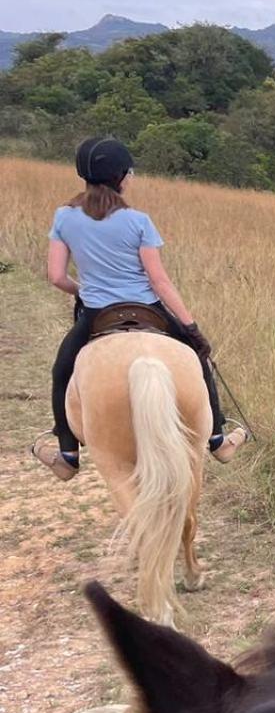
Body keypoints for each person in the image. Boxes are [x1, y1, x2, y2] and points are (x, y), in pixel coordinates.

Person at [31, 137, 246, 481]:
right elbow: (159, 281)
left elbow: (56, 276)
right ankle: (218, 439)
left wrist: (82, 292)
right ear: (121, 178)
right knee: (199, 360)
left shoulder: (64, 217)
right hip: (148, 309)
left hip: (96, 314)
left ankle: (68, 454)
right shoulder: (138, 221)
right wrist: (191, 328)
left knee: (62, 371)